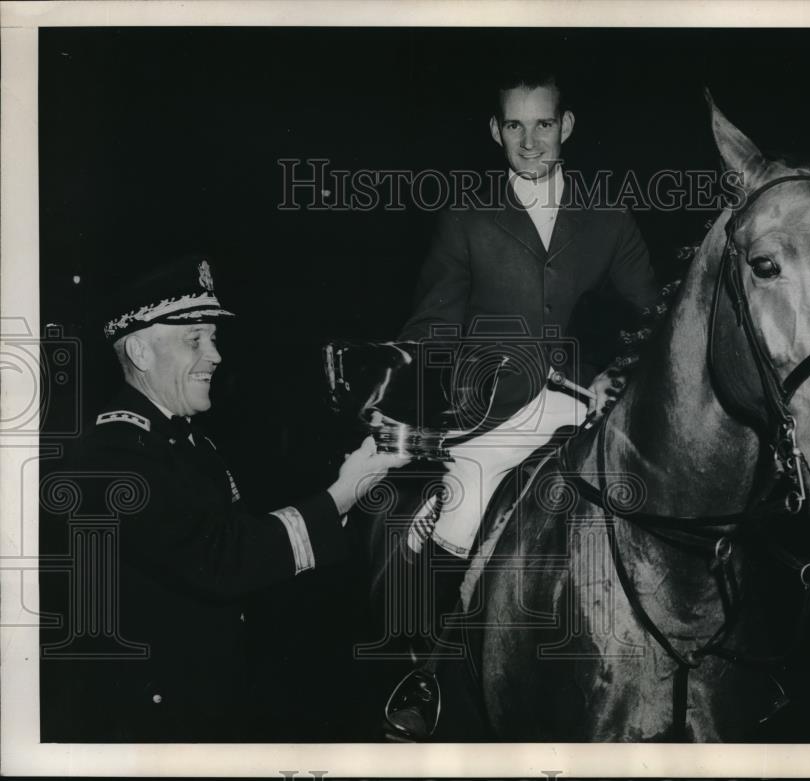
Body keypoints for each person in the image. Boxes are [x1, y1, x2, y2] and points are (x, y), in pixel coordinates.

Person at [384, 68, 661, 737]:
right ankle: (430, 668)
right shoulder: (467, 218)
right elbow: (427, 329)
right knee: (460, 505)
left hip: (583, 402)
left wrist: (614, 373)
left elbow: (657, 315)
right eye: (515, 126)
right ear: (495, 131)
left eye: (544, 124)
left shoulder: (607, 217)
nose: (531, 141)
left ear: (566, 127)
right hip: (493, 412)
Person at [42, 255, 407, 741]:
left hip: (211, 701)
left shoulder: (189, 442)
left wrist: (344, 496)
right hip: (150, 725)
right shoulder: (111, 457)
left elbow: (244, 543)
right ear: (141, 352)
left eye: (213, 339)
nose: (215, 355)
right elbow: (220, 559)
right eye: (195, 340)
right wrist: (338, 498)